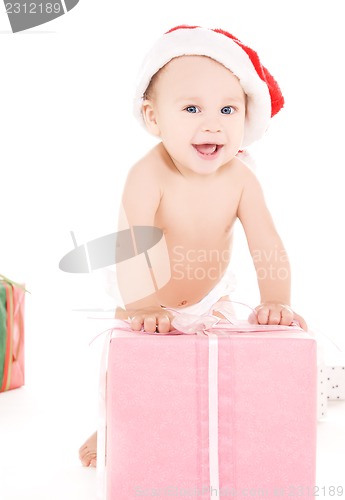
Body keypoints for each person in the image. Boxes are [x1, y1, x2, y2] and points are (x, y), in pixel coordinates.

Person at [79, 24, 307, 467]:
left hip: (209, 296)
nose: (212, 124)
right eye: (191, 108)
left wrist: (276, 300)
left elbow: (267, 244)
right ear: (153, 118)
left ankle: (210, 429)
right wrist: (144, 304)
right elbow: (132, 244)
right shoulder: (148, 175)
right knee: (131, 375)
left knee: (214, 369)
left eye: (227, 109)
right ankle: (111, 426)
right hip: (143, 296)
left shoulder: (241, 179)